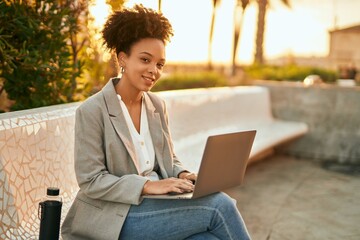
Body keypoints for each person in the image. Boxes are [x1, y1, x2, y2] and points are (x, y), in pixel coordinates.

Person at [61, 4, 251, 240]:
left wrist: (182, 175)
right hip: (116, 216)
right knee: (220, 206)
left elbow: (168, 160)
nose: (154, 70)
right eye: (145, 60)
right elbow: (91, 180)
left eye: (159, 64)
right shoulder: (92, 110)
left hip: (158, 204)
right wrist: (146, 186)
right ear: (123, 58)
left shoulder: (157, 106)